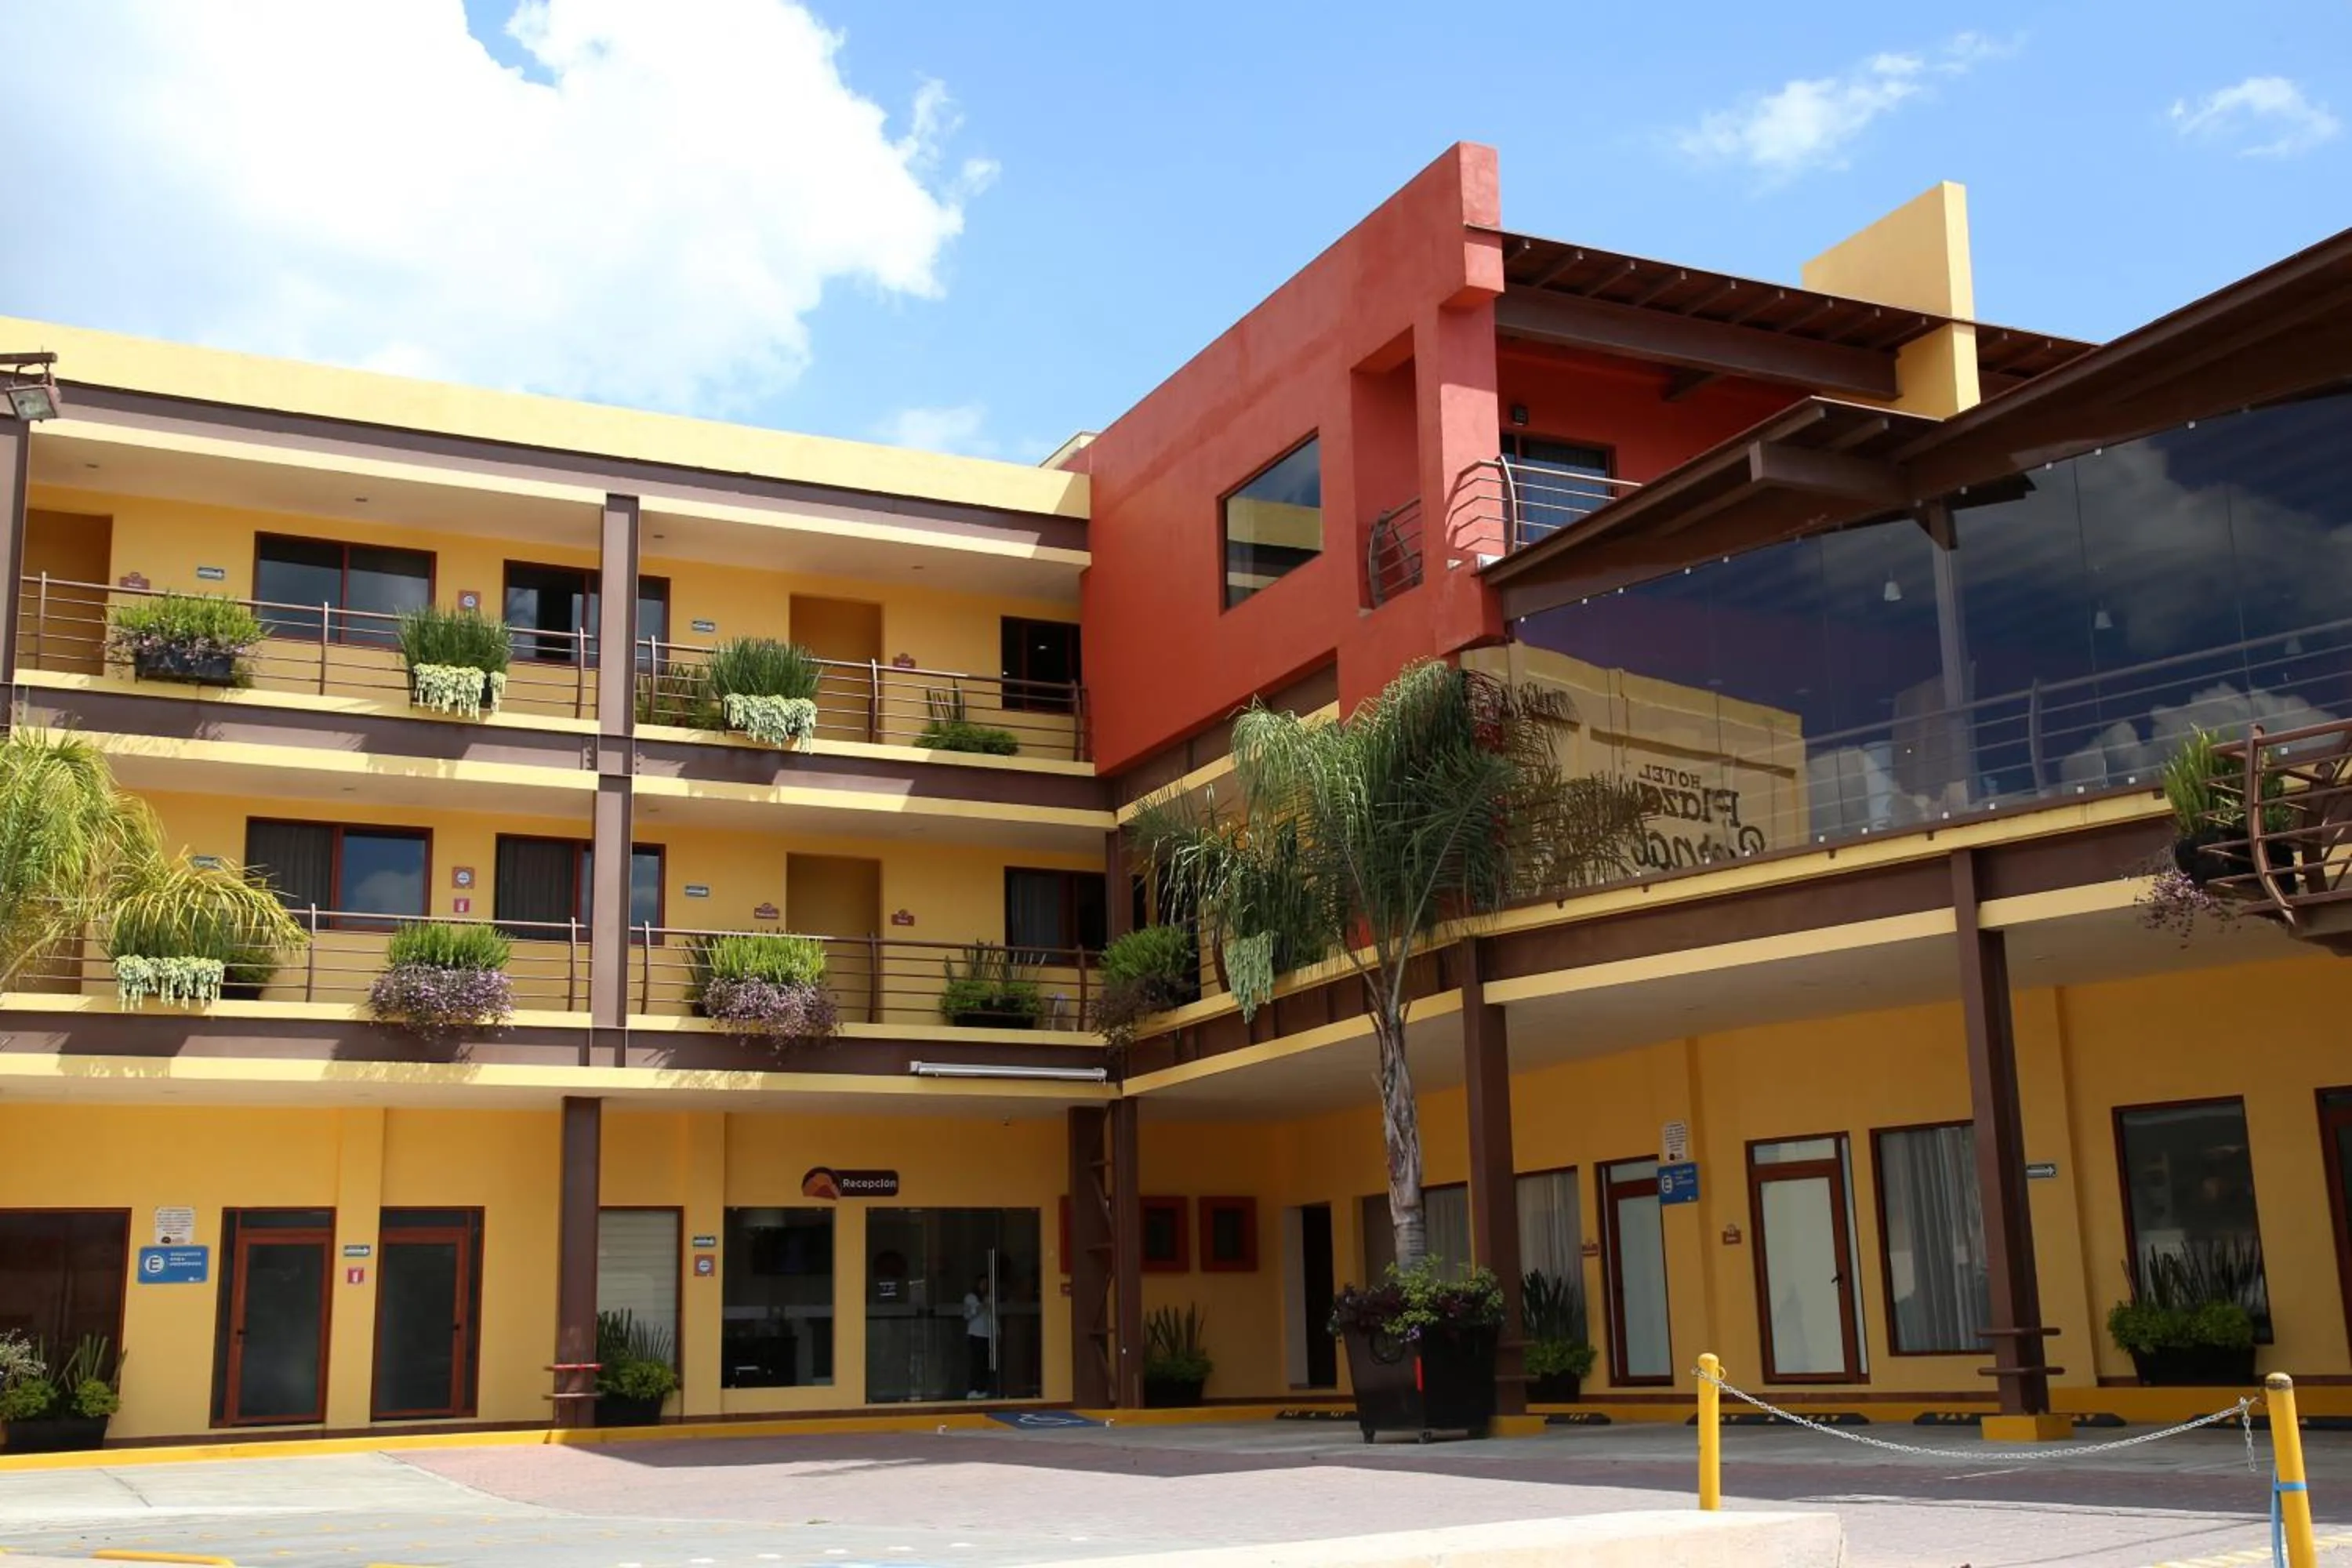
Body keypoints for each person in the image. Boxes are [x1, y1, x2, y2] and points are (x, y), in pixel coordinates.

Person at [962, 1272, 996, 1399]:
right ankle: (973, 1389)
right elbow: (967, 1315)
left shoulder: (988, 1298)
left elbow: (992, 1317)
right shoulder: (970, 1298)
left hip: (986, 1334)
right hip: (975, 1334)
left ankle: (982, 1389)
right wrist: (981, 1307)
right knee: (976, 1363)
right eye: (983, 1283)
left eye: (986, 1284)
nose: (984, 1286)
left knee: (984, 1363)